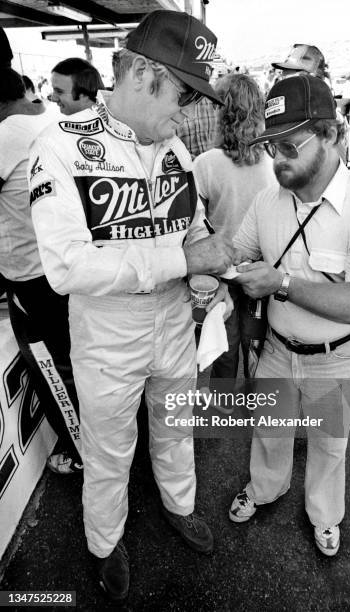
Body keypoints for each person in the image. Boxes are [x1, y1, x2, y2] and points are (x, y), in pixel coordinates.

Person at [29, 10, 233, 602]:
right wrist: (182, 263)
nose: (191, 110)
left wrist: (207, 269)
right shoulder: (61, 146)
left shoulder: (176, 151)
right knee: (109, 451)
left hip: (174, 321)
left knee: (176, 429)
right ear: (142, 73)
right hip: (105, 334)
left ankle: (180, 505)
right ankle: (104, 543)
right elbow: (67, 268)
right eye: (185, 91)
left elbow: (190, 227)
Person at [228, 74, 350, 557]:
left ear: (330, 135)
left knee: (330, 446)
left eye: (289, 146)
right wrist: (213, 267)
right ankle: (265, 488)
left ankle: (325, 516)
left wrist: (281, 283)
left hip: (341, 358)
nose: (277, 159)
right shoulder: (267, 201)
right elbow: (239, 251)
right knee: (269, 433)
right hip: (277, 351)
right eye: (269, 147)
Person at [0, 67, 82, 475]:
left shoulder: (2, 138)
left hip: (30, 278)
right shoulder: (53, 116)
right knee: (78, 361)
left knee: (53, 371)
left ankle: (80, 450)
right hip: (68, 266)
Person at [193, 73, 274, 401]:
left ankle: (224, 403)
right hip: (260, 270)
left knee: (224, 343)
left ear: (220, 111)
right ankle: (258, 405)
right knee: (257, 344)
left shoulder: (205, 164)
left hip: (220, 271)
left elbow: (195, 222)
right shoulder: (272, 161)